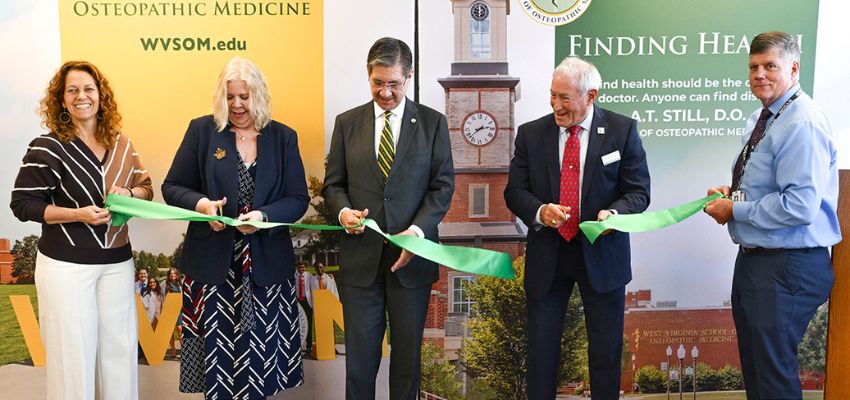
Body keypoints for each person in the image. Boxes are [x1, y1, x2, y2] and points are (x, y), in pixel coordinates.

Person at [162, 56, 309, 399]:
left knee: (260, 364)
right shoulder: (202, 131)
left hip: (266, 270)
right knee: (218, 365)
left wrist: (264, 217)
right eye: (230, 97)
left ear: (259, 94)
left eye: (245, 96)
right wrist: (202, 206)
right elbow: (172, 187)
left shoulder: (283, 137)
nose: (237, 105)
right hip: (212, 270)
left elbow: (298, 198)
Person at [504, 56, 650, 400]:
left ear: (591, 96)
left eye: (565, 98)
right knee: (541, 353)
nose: (556, 105)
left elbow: (638, 192)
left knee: (605, 351)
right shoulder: (531, 134)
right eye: (552, 96)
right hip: (548, 254)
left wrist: (614, 213)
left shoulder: (622, 130)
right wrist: (540, 211)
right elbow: (514, 192)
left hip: (603, 252)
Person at [704, 31, 839, 399]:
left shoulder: (802, 123)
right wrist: (733, 194)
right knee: (760, 376)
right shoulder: (766, 116)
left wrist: (735, 209)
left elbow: (799, 206)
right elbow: (771, 187)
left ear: (793, 68)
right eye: (753, 67)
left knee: (773, 380)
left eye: (770, 66)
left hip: (787, 266)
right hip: (758, 263)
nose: (759, 74)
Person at [10, 60, 152, 399]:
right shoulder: (47, 147)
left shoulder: (122, 144)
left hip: (117, 262)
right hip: (66, 265)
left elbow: (147, 188)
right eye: (72, 90)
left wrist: (130, 193)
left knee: (119, 355)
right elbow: (22, 204)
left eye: (88, 89)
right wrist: (77, 215)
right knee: (73, 358)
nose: (81, 96)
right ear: (61, 100)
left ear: (101, 96)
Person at [322, 37, 454, 399]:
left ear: (408, 77)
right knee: (360, 364)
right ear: (368, 75)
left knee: (407, 363)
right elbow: (333, 187)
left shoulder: (432, 124)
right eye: (378, 82)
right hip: (360, 262)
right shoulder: (347, 124)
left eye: (393, 83)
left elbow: (442, 188)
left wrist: (416, 231)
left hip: (410, 264)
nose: (385, 92)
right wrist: (344, 211)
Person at [160, 267, 182, 358]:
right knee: (169, 332)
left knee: (180, 330)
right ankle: (173, 350)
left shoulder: (180, 284)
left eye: (174, 273)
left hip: (178, 310)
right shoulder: (164, 284)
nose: (172, 275)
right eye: (171, 273)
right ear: (169, 275)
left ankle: (183, 349)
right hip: (168, 310)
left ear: (177, 275)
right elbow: (160, 296)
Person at [295, 261, 315, 354]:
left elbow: (317, 281)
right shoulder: (293, 276)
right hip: (297, 302)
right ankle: (296, 346)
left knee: (309, 324)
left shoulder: (309, 276)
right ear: (297, 268)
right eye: (300, 268)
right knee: (296, 325)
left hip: (306, 302)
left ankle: (309, 346)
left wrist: (330, 276)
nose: (301, 269)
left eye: (303, 267)